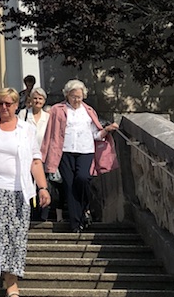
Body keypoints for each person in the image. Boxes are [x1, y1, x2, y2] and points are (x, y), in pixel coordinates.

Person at [0, 87, 50, 297]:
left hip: (18, 191)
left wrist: (43, 187)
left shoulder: (26, 129)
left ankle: (11, 285)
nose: (4, 108)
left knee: (15, 239)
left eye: (8, 104)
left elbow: (35, 160)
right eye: (0, 104)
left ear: (16, 105)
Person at [40, 79, 119, 233]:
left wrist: (107, 130)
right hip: (64, 152)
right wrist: (44, 155)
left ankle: (85, 208)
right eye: (73, 96)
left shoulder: (88, 111)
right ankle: (76, 223)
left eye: (79, 97)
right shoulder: (57, 109)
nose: (76, 100)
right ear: (67, 95)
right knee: (69, 186)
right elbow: (50, 133)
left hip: (85, 151)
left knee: (83, 178)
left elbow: (96, 134)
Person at [18, 87, 51, 220]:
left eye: (40, 98)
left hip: (44, 155)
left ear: (44, 101)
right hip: (27, 155)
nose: (37, 101)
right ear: (31, 100)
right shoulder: (23, 114)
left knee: (43, 183)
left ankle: (43, 214)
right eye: (35, 98)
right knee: (28, 183)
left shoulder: (48, 117)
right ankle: (30, 212)